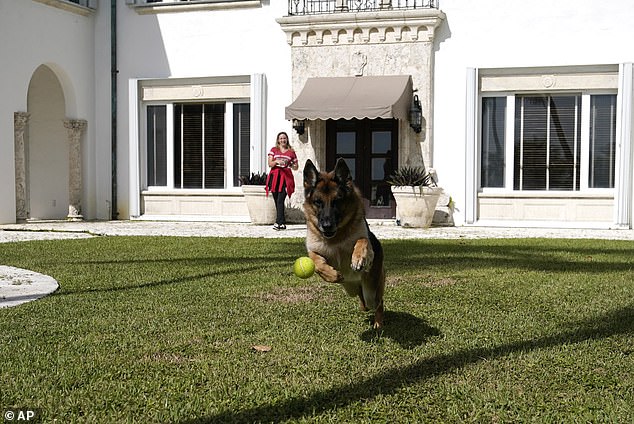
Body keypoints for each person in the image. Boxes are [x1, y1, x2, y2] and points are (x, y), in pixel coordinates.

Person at [266, 131, 298, 230]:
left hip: (285, 176)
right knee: (276, 199)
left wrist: (291, 164)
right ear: (278, 140)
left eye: (284, 138)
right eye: (281, 138)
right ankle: (282, 222)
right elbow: (270, 164)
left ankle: (278, 222)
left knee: (280, 199)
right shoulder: (274, 150)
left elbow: (296, 166)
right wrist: (276, 161)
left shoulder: (291, 152)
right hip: (275, 176)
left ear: (287, 139)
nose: (283, 140)